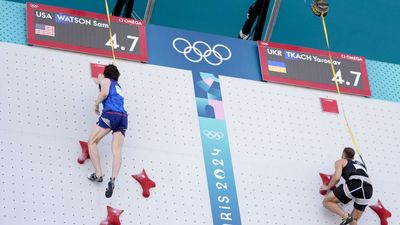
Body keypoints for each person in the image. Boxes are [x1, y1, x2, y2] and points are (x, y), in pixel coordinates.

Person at [87, 64, 128, 198]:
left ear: (106, 74)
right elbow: (101, 84)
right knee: (117, 151)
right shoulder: (118, 87)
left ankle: (98, 174)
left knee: (92, 142)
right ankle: (113, 179)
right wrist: (99, 81)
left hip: (111, 114)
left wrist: (96, 103)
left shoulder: (106, 81)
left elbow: (104, 92)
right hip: (123, 118)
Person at [321, 147, 373, 225]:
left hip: (357, 184)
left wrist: (327, 187)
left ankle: (345, 216)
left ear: (342, 154)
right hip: (368, 189)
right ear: (353, 156)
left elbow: (337, 177)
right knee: (354, 220)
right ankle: (349, 219)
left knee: (327, 201)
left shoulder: (341, 161)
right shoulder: (360, 164)